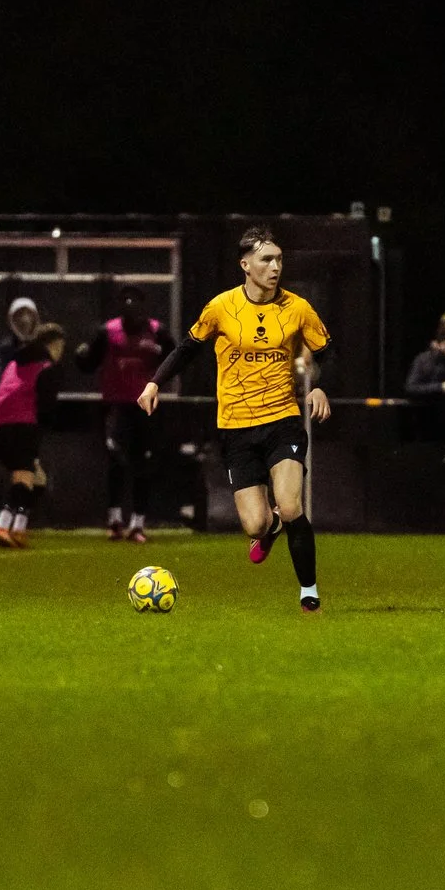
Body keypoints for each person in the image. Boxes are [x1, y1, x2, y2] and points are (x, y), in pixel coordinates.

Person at [139, 225, 333, 612]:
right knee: (255, 525)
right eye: (266, 260)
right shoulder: (221, 307)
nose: (275, 267)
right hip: (236, 427)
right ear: (245, 265)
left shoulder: (297, 308)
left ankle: (308, 592)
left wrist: (318, 386)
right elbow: (187, 348)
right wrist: (154, 382)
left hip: (282, 420)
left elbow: (326, 351)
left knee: (290, 505)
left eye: (279, 259)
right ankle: (271, 528)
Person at [76, 286, 169, 542]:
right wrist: (81, 357)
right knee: (116, 460)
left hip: (145, 406)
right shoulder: (107, 332)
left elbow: (175, 359)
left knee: (143, 463)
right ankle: (115, 519)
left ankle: (138, 523)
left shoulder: (157, 332)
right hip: (116, 406)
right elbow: (90, 363)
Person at [0, 322, 66, 548]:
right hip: (22, 424)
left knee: (36, 478)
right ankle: (2, 524)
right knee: (24, 476)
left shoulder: (13, 363)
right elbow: (46, 406)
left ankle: (19, 527)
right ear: (54, 345)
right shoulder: (46, 368)